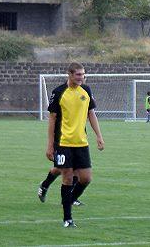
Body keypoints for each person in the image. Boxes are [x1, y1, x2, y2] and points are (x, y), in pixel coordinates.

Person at [46, 62, 105, 228]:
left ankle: (69, 201)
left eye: (83, 74)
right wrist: (50, 145)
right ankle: (67, 218)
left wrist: (99, 136)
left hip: (82, 143)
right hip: (64, 142)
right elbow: (52, 120)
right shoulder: (58, 92)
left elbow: (91, 114)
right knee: (67, 177)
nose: (81, 78)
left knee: (86, 178)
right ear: (70, 74)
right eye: (78, 74)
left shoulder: (86, 91)